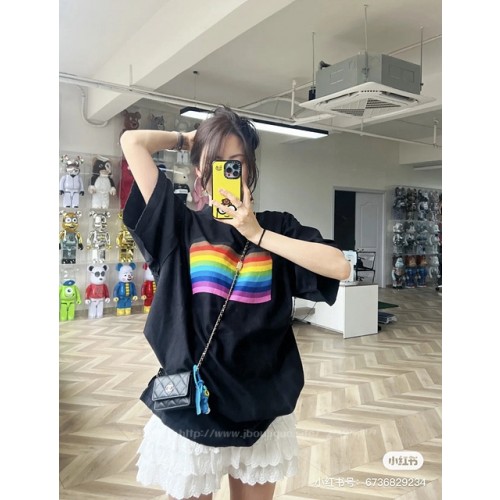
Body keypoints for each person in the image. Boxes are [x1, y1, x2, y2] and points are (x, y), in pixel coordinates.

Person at [121, 106, 350, 500]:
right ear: (200, 171)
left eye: (238, 163)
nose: (228, 171)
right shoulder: (179, 225)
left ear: (251, 170)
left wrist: (256, 233)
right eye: (217, 162)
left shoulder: (278, 227)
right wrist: (189, 140)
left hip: (260, 403)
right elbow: (132, 142)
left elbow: (339, 266)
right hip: (193, 404)